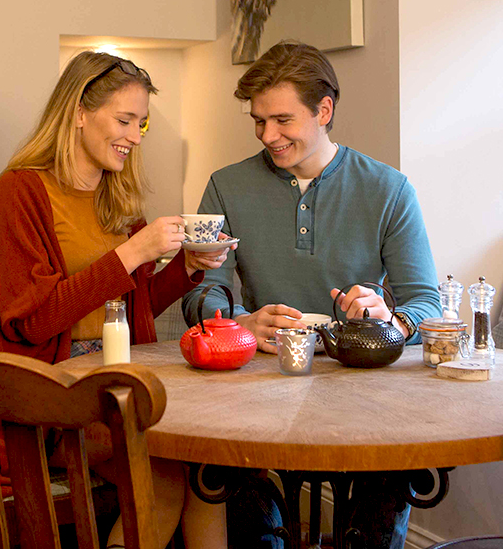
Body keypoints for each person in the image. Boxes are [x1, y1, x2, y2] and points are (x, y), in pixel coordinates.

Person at [182, 41, 441, 549]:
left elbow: (426, 305)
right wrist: (239, 322)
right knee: (237, 496)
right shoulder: (226, 186)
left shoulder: (389, 189)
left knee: (385, 489)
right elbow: (203, 293)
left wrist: (390, 320)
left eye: (283, 120)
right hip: (258, 385)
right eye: (259, 121)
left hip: (362, 389)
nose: (268, 136)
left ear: (324, 110)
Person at [0, 50, 228, 548]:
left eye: (142, 124)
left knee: (203, 466)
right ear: (78, 112)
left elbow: (133, 310)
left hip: (116, 378)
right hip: (47, 392)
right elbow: (32, 321)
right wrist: (132, 253)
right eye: (125, 120)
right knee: (168, 475)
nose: (136, 136)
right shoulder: (21, 191)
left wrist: (186, 267)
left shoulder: (118, 197)